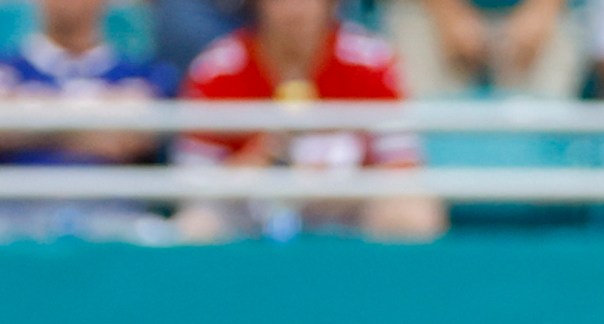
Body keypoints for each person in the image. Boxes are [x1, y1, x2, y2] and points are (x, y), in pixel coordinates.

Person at [175, 0, 447, 242]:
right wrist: (262, 157)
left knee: (412, 211)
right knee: (197, 225)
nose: (296, 9)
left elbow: (403, 164)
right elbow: (194, 182)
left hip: (348, 205)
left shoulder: (372, 60)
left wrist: (335, 178)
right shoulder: (217, 68)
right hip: (251, 208)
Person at [0, 0, 177, 243]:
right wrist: (97, 119)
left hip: (114, 213)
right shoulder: (7, 69)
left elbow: (133, 140)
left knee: (160, 236)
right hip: (16, 213)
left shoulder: (142, 72)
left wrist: (31, 118)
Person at [381, 0, 587, 99]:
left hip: (535, 13)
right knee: (426, 110)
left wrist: (543, 9)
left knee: (541, 112)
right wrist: (447, 12)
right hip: (426, 11)